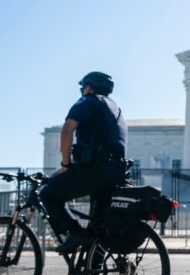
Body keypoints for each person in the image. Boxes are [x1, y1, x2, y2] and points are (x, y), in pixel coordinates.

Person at [39, 71, 128, 254]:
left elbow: (67, 130)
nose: (82, 90)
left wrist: (65, 165)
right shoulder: (115, 108)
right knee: (98, 228)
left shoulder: (88, 101)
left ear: (89, 87)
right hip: (115, 173)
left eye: (83, 87)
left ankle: (76, 232)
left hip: (95, 170)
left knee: (48, 194)